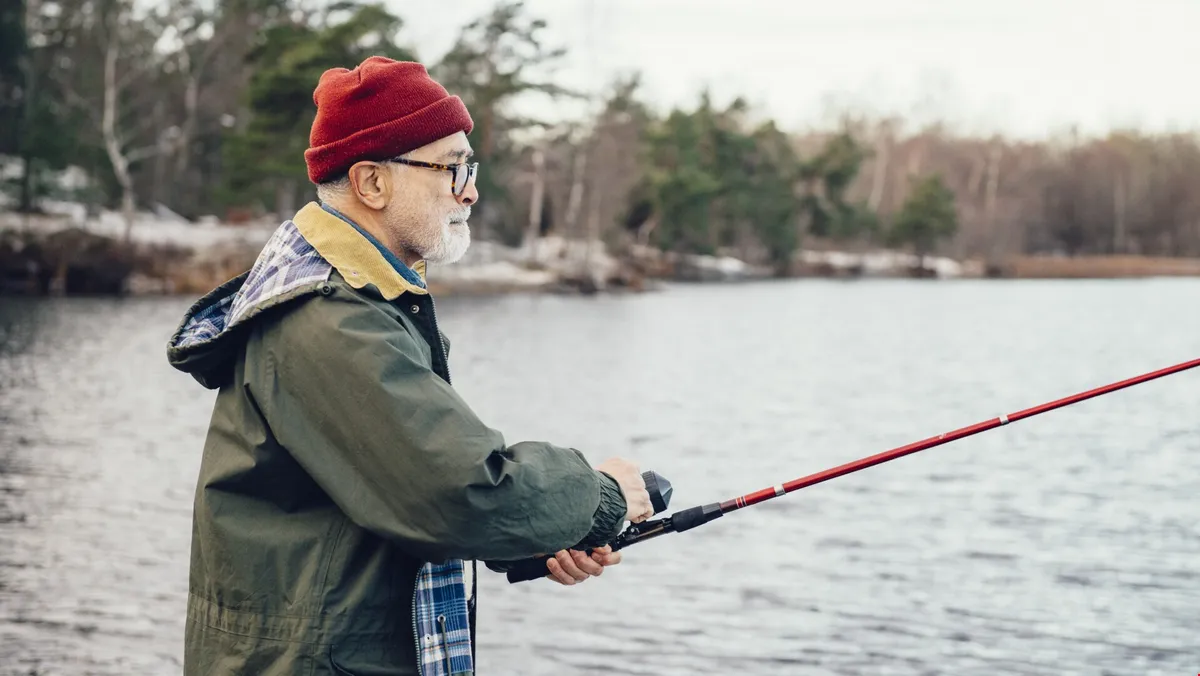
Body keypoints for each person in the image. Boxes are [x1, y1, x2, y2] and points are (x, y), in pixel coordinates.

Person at [165, 56, 653, 676]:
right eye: (451, 169)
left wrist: (535, 535)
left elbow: (399, 485)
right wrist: (601, 498)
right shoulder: (329, 318)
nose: (470, 189)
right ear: (372, 184)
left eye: (469, 168)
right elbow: (459, 494)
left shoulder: (364, 300)